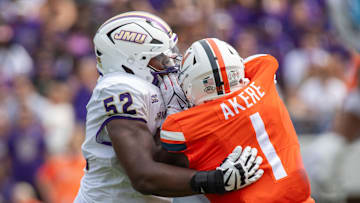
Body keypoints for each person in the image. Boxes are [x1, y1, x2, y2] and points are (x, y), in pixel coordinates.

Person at [74, 11, 264, 203]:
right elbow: (144, 176)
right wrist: (215, 179)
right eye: (159, 57)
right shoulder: (118, 89)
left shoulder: (155, 86)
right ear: (132, 61)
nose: (170, 62)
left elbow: (165, 157)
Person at [160, 38, 314, 202]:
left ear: (190, 88)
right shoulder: (264, 74)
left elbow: (159, 166)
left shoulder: (182, 126)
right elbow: (254, 62)